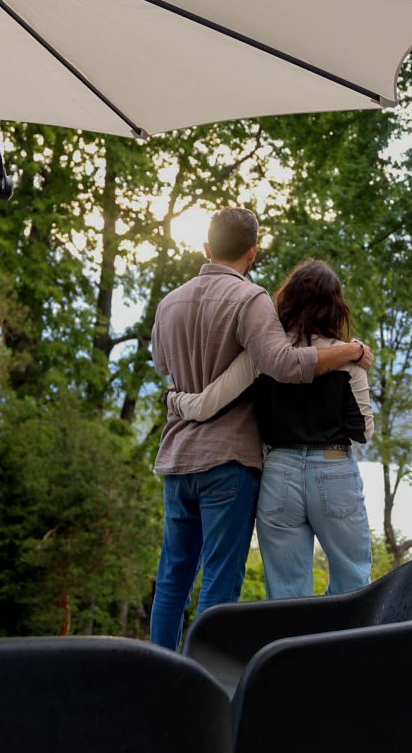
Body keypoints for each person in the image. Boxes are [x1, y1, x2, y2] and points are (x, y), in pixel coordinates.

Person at [149, 210, 373, 650]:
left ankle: (161, 676)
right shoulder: (250, 301)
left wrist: (180, 398)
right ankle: (208, 682)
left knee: (173, 578)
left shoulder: (169, 302)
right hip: (229, 463)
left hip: (178, 457)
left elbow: (163, 366)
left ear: (206, 247)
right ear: (253, 252)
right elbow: (285, 365)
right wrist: (351, 350)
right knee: (221, 580)